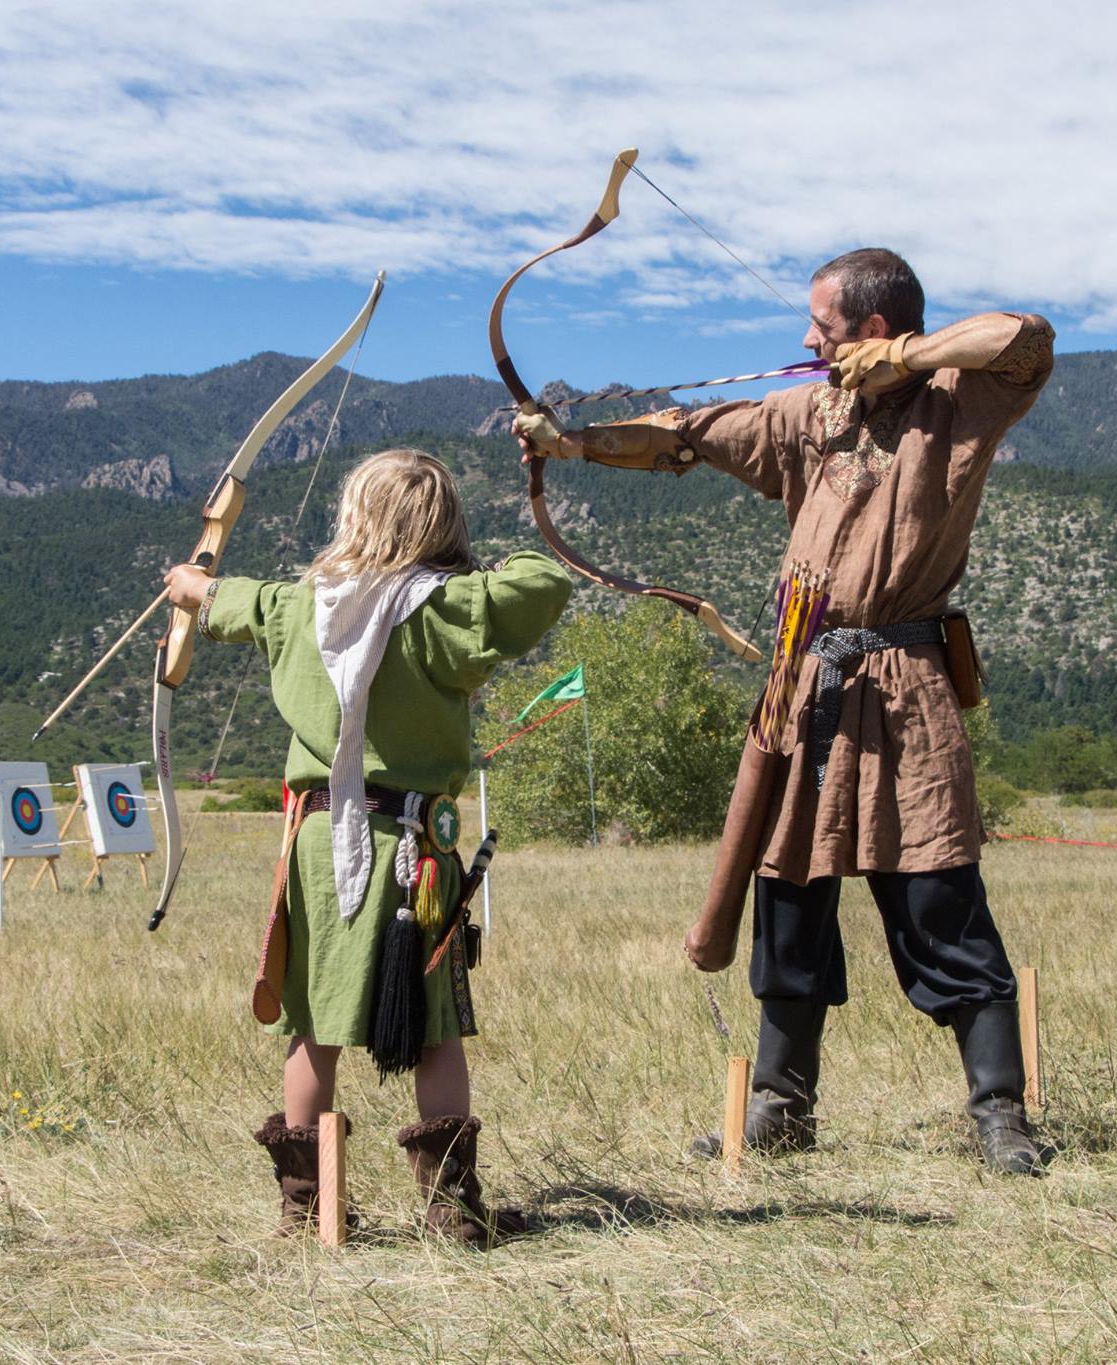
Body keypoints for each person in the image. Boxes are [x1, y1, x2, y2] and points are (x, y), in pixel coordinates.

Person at [515, 248, 1053, 1175]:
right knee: (790, 897)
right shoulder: (813, 412)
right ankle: (779, 1107)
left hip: (905, 684)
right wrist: (575, 442)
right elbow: (686, 434)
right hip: (806, 685)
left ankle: (1000, 1111)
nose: (808, 340)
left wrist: (910, 360)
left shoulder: (959, 400)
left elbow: (1027, 338)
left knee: (938, 896)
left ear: (876, 330)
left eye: (827, 326)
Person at [162, 448, 570, 1245]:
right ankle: (450, 1210)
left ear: (353, 517)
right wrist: (491, 539)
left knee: (311, 1024)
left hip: (318, 848)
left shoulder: (295, 605)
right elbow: (545, 582)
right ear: (438, 526)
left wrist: (195, 587)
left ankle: (308, 1212)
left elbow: (226, 598)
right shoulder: (446, 606)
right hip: (413, 849)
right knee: (436, 1027)